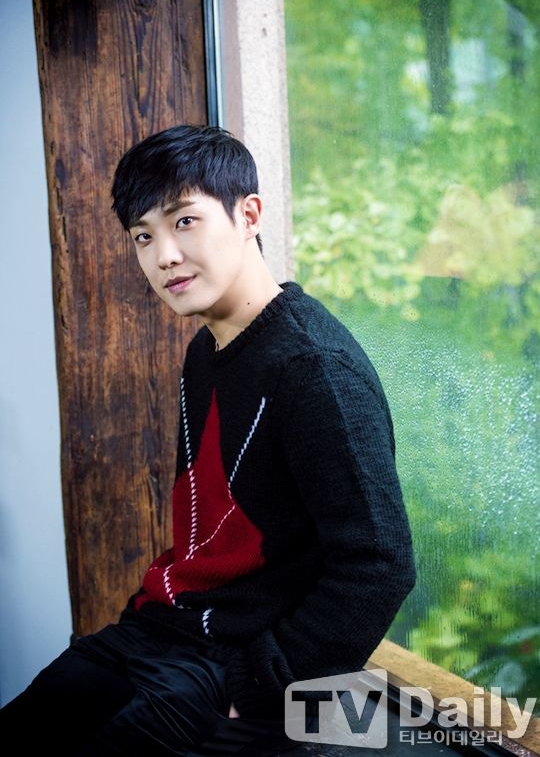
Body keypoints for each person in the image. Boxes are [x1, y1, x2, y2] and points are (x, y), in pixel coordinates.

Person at [0, 125, 415, 755]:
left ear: (248, 215)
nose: (163, 255)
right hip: (162, 630)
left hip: (238, 665)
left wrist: (261, 688)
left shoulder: (315, 369)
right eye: (143, 236)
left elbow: (381, 564)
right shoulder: (206, 350)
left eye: (184, 221)